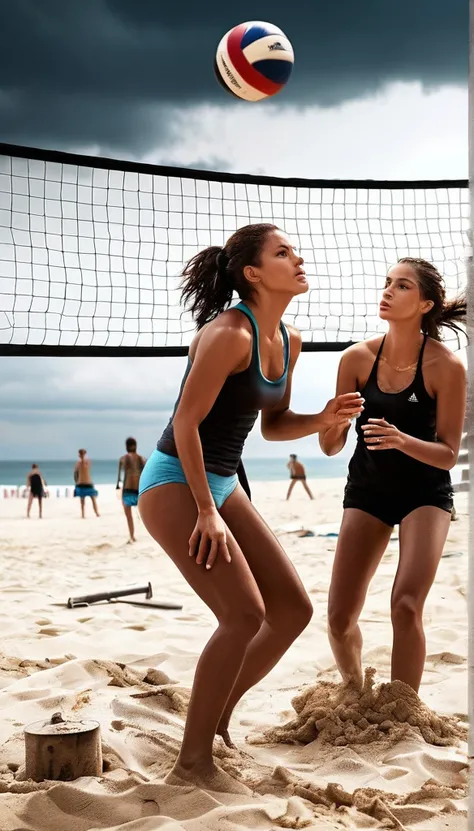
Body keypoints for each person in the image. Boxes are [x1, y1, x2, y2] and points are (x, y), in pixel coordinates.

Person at [138, 223, 363, 789]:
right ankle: (191, 765)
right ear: (254, 274)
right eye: (284, 252)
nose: (299, 257)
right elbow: (186, 424)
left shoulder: (289, 337)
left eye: (296, 250)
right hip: (175, 483)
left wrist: (325, 417)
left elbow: (273, 425)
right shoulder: (229, 335)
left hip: (221, 482)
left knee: (291, 610)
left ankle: (213, 721)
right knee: (241, 615)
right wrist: (207, 511)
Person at [319, 257, 466, 694]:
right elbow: (329, 447)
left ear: (425, 304)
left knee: (404, 606)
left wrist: (403, 440)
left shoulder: (447, 367)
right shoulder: (356, 359)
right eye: (387, 283)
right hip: (368, 490)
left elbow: (448, 455)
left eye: (401, 286)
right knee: (340, 618)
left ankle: (404, 712)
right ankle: (355, 691)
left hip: (426, 494)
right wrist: (337, 423)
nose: (387, 291)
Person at [116, 437, 146, 542]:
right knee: (146, 515)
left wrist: (117, 486)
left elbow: (119, 478)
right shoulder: (142, 459)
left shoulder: (123, 459)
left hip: (127, 490)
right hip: (139, 490)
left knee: (129, 516)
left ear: (126, 446)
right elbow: (146, 475)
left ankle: (132, 536)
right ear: (135, 445)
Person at [74, 449, 100, 518]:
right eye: (80, 454)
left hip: (88, 483)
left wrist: (82, 459)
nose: (81, 455)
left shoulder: (87, 461)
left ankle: (96, 512)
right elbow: (75, 473)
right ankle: (83, 515)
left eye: (83, 454)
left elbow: (85, 467)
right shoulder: (77, 463)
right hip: (80, 484)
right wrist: (76, 482)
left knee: (93, 499)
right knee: (82, 501)